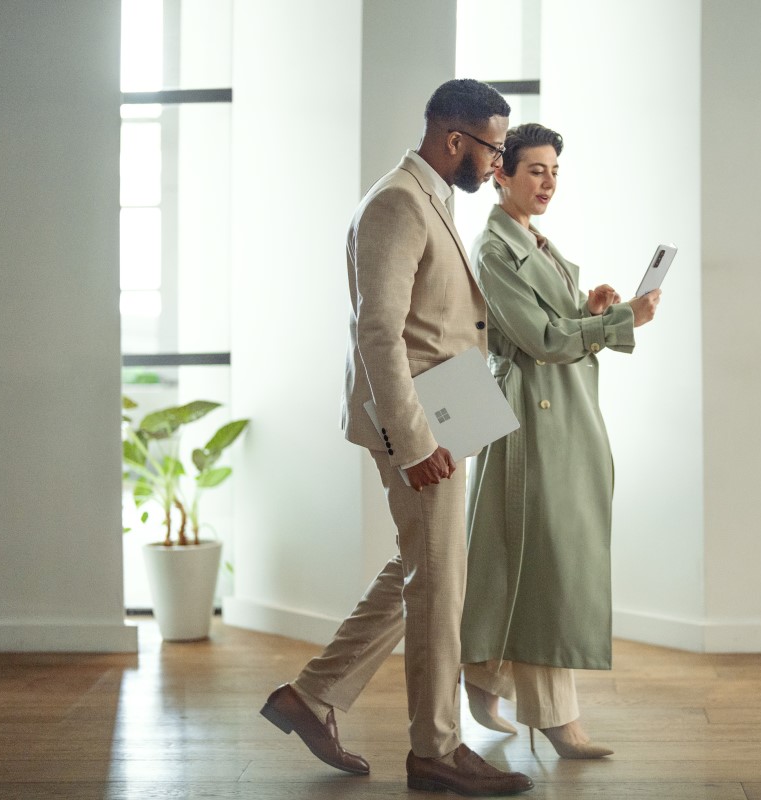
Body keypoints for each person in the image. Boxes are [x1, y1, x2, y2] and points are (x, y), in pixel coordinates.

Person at [259, 80, 533, 797]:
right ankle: (435, 752)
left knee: (426, 569)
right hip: (421, 423)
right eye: (494, 149)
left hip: (449, 409)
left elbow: (439, 316)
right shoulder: (397, 203)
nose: (497, 163)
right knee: (438, 584)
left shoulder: (431, 197)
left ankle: (311, 696)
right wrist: (413, 443)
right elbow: (377, 333)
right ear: (454, 141)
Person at [458, 123, 661, 759]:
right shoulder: (495, 247)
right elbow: (539, 340)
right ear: (502, 173)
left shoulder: (532, 240)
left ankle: (481, 673)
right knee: (540, 558)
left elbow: (554, 321)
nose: (547, 183)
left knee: (521, 557)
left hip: (556, 413)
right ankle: (554, 719)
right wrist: (618, 318)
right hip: (525, 413)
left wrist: (592, 303)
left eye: (554, 172)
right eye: (535, 170)